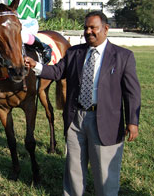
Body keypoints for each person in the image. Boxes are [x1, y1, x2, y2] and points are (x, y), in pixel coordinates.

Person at [25, 11, 141, 196]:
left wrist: (133, 122)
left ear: (106, 29)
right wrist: (36, 66)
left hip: (106, 120)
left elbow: (132, 93)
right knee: (74, 169)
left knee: (104, 173)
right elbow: (56, 72)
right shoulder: (74, 52)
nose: (88, 31)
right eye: (86, 28)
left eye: (93, 27)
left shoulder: (123, 56)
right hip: (75, 119)